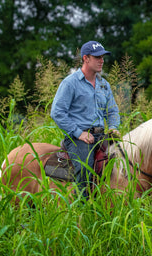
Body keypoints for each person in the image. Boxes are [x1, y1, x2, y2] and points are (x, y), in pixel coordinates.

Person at [51, 41, 120, 199]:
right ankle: (82, 205)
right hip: (78, 138)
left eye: (102, 57)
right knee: (85, 168)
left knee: (126, 159)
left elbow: (113, 110)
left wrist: (114, 126)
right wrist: (78, 133)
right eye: (97, 57)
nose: (101, 60)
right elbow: (57, 112)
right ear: (86, 58)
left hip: (101, 135)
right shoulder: (70, 83)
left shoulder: (104, 85)